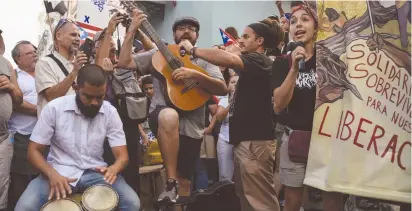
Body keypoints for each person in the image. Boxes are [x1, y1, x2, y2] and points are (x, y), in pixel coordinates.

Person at [117, 10, 227, 203]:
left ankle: (175, 193)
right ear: (174, 34)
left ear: (197, 36)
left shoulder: (205, 58)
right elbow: (124, 62)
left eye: (191, 29)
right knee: (169, 116)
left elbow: (222, 88)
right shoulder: (158, 54)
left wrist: (195, 75)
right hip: (162, 116)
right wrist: (132, 29)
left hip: (192, 125)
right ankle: (169, 180)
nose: (186, 31)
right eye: (181, 28)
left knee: (184, 182)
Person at [178, 17, 284, 211]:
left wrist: (193, 50)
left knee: (260, 201)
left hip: (255, 142)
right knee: (246, 198)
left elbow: (229, 59)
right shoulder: (252, 63)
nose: (240, 41)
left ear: (259, 41)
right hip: (246, 141)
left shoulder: (258, 60)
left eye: (245, 36)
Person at [15, 64, 140, 211]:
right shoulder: (54, 108)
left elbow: (122, 157)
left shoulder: (110, 112)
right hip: (58, 172)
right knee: (24, 207)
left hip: (96, 173)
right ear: (76, 88)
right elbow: (33, 151)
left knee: (132, 203)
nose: (94, 102)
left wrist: (114, 168)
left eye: (100, 97)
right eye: (88, 96)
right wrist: (51, 174)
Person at [271, 2, 343, 211]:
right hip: (296, 139)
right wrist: (294, 69)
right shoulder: (282, 63)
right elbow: (278, 105)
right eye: (293, 21)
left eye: (305, 19)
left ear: (316, 26)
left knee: (332, 198)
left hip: (328, 140)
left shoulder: (330, 58)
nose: (298, 25)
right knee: (292, 199)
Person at [7, 41, 42, 209]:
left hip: (46, 135)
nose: (34, 54)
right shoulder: (14, 76)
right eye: (29, 53)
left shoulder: (44, 72)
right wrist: (43, 111)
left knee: (42, 178)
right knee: (21, 179)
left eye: (34, 51)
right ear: (17, 59)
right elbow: (16, 104)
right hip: (23, 137)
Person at [35, 19, 88, 117]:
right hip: (55, 129)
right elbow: (51, 96)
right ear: (58, 36)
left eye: (78, 36)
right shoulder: (45, 63)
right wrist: (74, 71)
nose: (77, 39)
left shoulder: (81, 65)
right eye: (73, 35)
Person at [204, 74, 238, 181]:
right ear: (228, 85)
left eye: (238, 83)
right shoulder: (224, 99)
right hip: (225, 138)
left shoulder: (248, 100)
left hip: (242, 140)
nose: (235, 85)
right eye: (232, 83)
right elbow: (219, 118)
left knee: (243, 174)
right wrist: (232, 101)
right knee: (224, 175)